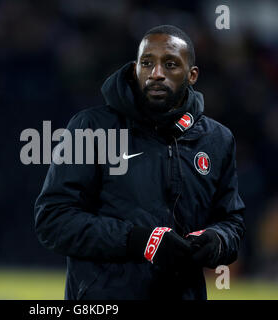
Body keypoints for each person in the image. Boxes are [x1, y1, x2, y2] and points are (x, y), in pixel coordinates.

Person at [34, 25, 245, 300]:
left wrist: (217, 241)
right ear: (136, 68)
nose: (156, 73)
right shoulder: (91, 128)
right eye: (147, 63)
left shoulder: (218, 140)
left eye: (170, 64)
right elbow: (53, 219)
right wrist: (140, 241)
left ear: (192, 75)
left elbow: (231, 222)